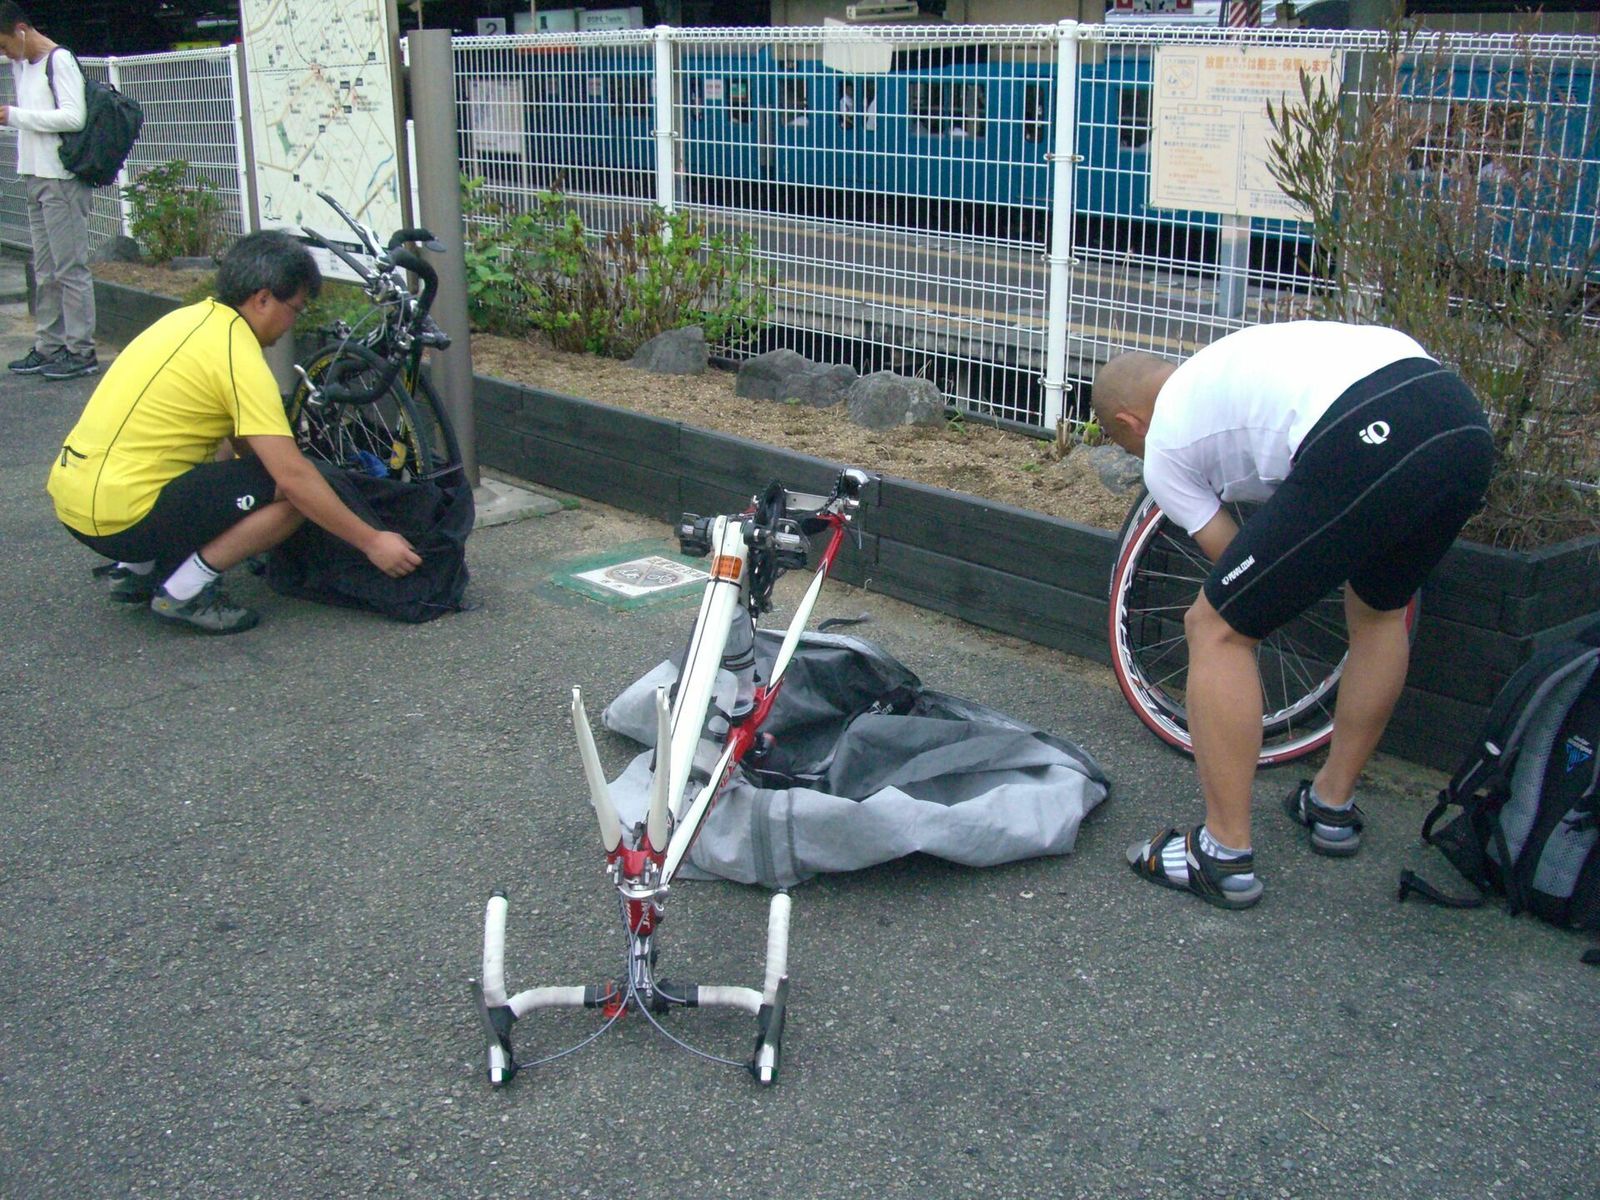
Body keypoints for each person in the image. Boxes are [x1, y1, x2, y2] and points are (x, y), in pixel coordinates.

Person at [1091, 321, 1495, 910]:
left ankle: (1221, 854)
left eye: (1126, 445)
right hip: (1459, 422)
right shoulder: (1225, 364)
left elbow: (1232, 561)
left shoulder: (1165, 446)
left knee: (1215, 627)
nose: (1137, 455)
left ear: (1130, 423)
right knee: (1380, 614)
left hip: (1366, 430)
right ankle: (1331, 806)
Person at [47, 230, 422, 635]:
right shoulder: (238, 357)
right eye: (294, 309)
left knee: (223, 450)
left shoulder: (187, 319)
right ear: (262, 299)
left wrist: (247, 497)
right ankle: (184, 591)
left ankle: (135, 571)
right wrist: (372, 542)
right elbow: (293, 479)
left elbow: (241, 443)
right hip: (122, 521)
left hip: (74, 501)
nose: (293, 322)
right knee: (300, 492)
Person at [0, 3, 98, 381]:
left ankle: (81, 349)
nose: (6, 53)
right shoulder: (22, 65)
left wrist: (15, 115)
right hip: (34, 174)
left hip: (60, 177)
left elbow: (74, 117)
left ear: (21, 30)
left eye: (5, 45)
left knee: (70, 267)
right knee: (45, 269)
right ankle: (50, 344)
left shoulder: (60, 61)